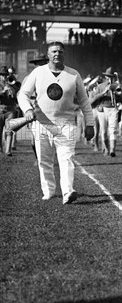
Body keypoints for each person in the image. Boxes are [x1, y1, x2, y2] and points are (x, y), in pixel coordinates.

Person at [17, 42, 94, 204]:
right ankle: (49, 191)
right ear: (48, 54)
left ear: (64, 54)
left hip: (66, 124)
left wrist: (90, 123)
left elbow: (84, 102)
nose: (57, 54)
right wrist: (28, 110)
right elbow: (23, 94)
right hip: (41, 124)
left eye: (60, 51)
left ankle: (68, 192)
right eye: (53, 51)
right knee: (44, 161)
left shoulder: (73, 75)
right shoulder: (38, 72)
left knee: (67, 158)